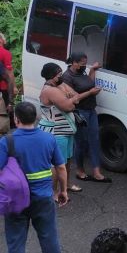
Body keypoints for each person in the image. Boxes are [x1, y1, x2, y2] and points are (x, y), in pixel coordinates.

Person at [0, 102, 69, 253]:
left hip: (16, 200)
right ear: (36, 118)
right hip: (44, 198)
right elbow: (61, 168)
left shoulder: (6, 141)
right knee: (48, 237)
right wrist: (63, 191)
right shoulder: (48, 139)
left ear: (16, 119)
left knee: (15, 241)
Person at [39, 63, 99, 198]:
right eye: (58, 74)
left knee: (66, 160)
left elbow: (76, 96)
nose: (61, 76)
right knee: (57, 163)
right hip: (56, 132)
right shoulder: (50, 90)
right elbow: (69, 106)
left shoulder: (58, 85)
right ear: (52, 76)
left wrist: (70, 97)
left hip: (66, 130)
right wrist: (70, 98)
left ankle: (65, 185)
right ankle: (54, 192)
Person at [62, 52, 110, 183]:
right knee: (81, 142)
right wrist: (90, 92)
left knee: (94, 140)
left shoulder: (82, 73)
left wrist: (92, 70)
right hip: (79, 112)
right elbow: (73, 98)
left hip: (91, 110)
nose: (84, 65)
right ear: (74, 63)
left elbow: (88, 83)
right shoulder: (67, 77)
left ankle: (96, 171)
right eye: (82, 63)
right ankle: (80, 170)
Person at [0, 33, 18, 115]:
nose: (5, 40)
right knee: (7, 111)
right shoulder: (5, 53)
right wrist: (14, 87)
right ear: (1, 40)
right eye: (4, 38)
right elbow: (9, 74)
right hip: (4, 87)